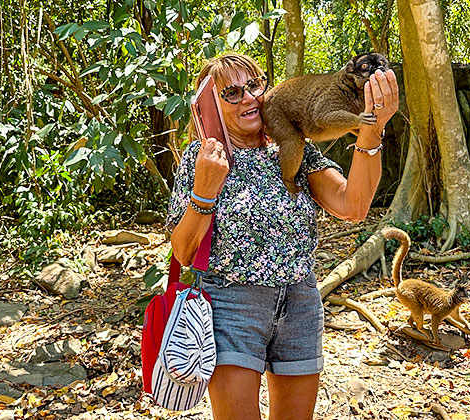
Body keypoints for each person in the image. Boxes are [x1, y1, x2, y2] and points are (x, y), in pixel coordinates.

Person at [166, 53, 399, 420]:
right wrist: (204, 191)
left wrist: (371, 129)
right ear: (210, 104)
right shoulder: (203, 157)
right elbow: (182, 251)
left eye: (254, 85)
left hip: (300, 303)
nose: (249, 98)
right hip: (232, 305)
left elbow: (352, 205)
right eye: (231, 93)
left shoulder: (295, 147)